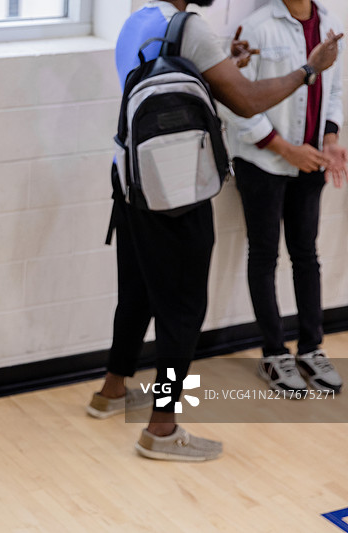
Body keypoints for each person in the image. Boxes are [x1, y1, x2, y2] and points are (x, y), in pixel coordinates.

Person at [86, 0, 343, 461]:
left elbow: (163, 79)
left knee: (138, 292)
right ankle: (162, 427)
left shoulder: (139, 20)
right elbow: (245, 101)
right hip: (175, 190)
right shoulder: (193, 28)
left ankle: (111, 391)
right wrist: (310, 69)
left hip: (130, 177)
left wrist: (224, 67)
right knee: (183, 313)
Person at [224, 0, 345, 395]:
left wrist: (330, 137)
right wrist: (283, 148)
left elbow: (336, 88)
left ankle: (311, 348)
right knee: (264, 255)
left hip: (309, 162)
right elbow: (237, 105)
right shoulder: (253, 29)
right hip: (263, 162)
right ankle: (274, 354)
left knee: (306, 255)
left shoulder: (330, 23)